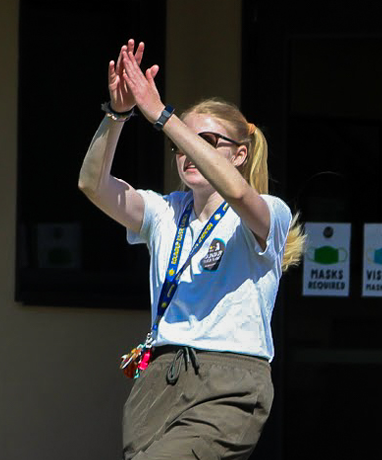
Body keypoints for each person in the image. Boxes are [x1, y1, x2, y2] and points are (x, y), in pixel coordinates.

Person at [81, 39, 302, 460]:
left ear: (239, 154)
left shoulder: (267, 212)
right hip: (160, 374)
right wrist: (118, 114)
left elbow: (236, 191)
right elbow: (93, 185)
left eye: (205, 141)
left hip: (229, 381)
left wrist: (163, 116)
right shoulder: (166, 211)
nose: (187, 152)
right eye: (180, 146)